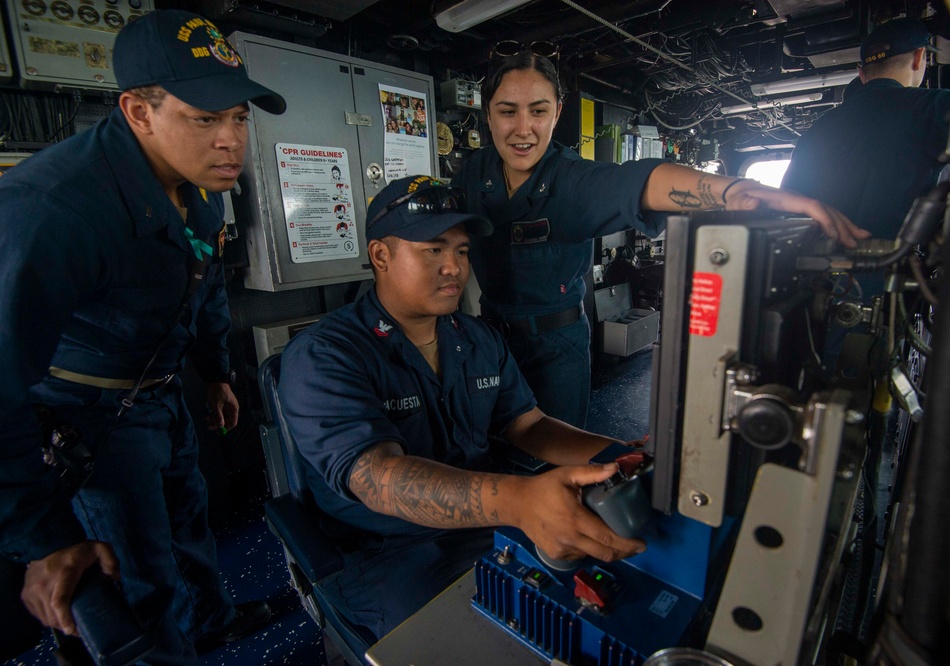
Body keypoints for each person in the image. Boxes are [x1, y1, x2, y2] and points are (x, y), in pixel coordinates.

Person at [0, 9, 285, 663]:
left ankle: (210, 622)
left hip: (164, 395)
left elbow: (203, 282)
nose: (231, 140)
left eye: (239, 116)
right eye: (205, 117)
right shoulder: (54, 211)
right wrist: (42, 538)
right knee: (140, 580)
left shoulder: (200, 191)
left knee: (190, 526)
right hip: (94, 420)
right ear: (137, 111)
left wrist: (214, 371)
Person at [279, 175, 647, 639]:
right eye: (433, 249)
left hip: (488, 519)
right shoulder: (325, 354)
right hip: (389, 549)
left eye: (462, 251)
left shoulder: (474, 337)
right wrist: (520, 501)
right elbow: (380, 481)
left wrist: (616, 455)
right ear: (380, 256)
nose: (453, 267)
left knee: (600, 607)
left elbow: (528, 425)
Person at [452, 48, 869, 429]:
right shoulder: (474, 173)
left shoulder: (570, 178)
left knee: (554, 456)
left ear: (557, 113)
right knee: (491, 442)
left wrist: (732, 190)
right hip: (487, 339)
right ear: (487, 115)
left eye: (537, 111)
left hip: (554, 349)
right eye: (508, 111)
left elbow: (641, 181)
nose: (523, 129)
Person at [782, 16, 950, 242]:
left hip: (817, 269)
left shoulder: (816, 130)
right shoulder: (938, 106)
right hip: (893, 269)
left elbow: (787, 203)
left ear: (861, 72)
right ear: (919, 58)